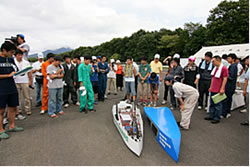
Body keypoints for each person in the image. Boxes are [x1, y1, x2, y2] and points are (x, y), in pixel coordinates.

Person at [0, 41, 24, 140]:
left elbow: (15, 70)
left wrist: (19, 72)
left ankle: (12, 125)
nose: (12, 54)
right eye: (11, 52)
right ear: (4, 50)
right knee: (1, 110)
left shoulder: (10, 59)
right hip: (1, 88)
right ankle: (1, 130)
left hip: (11, 86)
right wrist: (7, 75)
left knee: (13, 107)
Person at [204, 56, 228, 124]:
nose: (213, 63)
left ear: (218, 61)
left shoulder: (224, 68)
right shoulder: (215, 68)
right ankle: (211, 115)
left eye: (213, 61)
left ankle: (217, 117)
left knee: (218, 104)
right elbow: (213, 78)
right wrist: (211, 86)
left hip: (218, 89)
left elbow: (225, 78)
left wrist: (222, 88)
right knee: (212, 103)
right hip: (213, 88)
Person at [14, 49, 33, 118]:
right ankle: (18, 110)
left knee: (27, 96)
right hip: (16, 81)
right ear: (15, 55)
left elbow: (29, 72)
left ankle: (28, 109)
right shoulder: (13, 62)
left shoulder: (26, 62)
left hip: (25, 80)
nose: (20, 56)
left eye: (21, 55)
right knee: (17, 97)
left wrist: (30, 81)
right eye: (18, 55)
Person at [221, 53, 238, 118]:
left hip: (229, 85)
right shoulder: (232, 65)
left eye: (229, 58)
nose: (228, 59)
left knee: (226, 99)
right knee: (228, 99)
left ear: (233, 59)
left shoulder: (233, 66)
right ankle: (227, 112)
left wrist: (225, 74)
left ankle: (224, 113)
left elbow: (231, 76)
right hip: (231, 85)